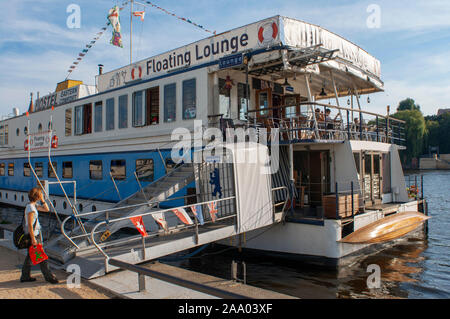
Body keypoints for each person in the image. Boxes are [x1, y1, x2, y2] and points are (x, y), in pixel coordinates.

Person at [20, 187, 59, 284]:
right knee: (41, 256)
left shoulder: (32, 205)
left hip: (34, 235)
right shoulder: (31, 208)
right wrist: (33, 239)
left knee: (30, 256)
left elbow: (46, 209)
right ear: (37, 196)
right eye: (40, 195)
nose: (42, 196)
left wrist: (42, 200)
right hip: (33, 236)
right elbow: (29, 224)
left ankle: (25, 276)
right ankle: (49, 277)